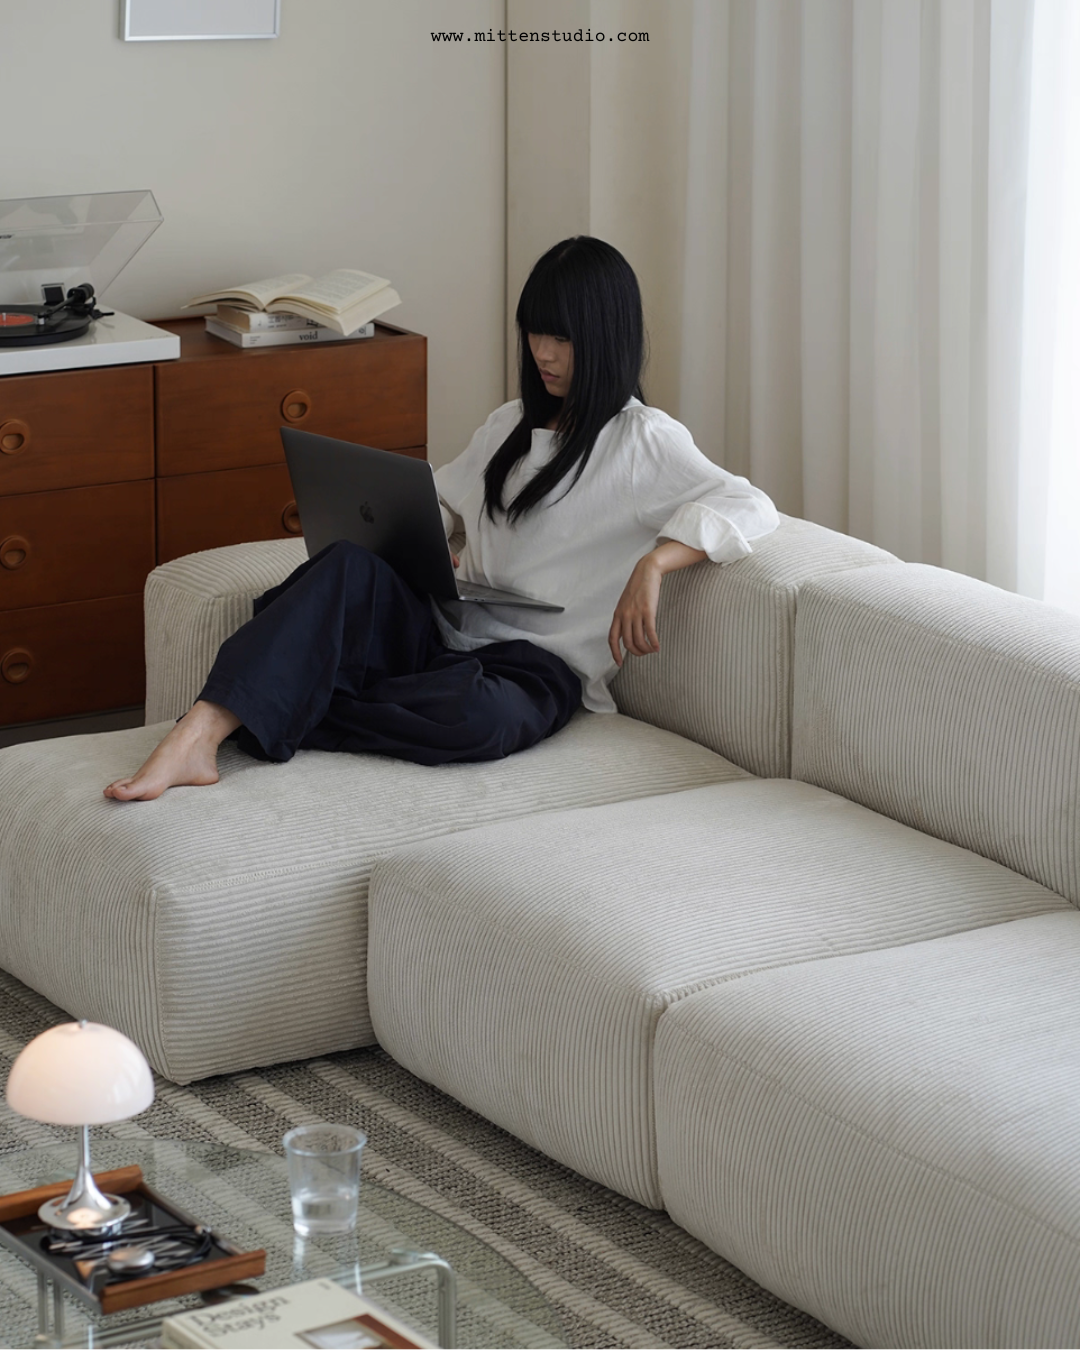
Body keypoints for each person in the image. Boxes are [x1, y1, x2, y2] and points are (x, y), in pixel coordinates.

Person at [104, 237, 778, 802]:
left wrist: (657, 561)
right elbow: (438, 497)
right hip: (445, 633)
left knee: (477, 721)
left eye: (563, 337)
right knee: (346, 567)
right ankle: (200, 732)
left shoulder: (643, 440)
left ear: (605, 337)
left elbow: (750, 504)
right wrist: (425, 537)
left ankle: (281, 696)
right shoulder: (509, 424)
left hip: (531, 668)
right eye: (535, 332)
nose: (543, 353)